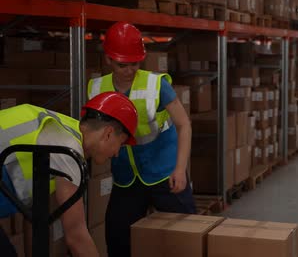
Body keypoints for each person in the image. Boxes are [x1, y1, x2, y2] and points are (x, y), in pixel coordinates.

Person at [88, 22, 195, 257]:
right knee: (118, 240)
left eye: (135, 64)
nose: (129, 70)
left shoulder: (157, 85)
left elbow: (184, 125)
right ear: (108, 59)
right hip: (126, 177)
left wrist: (180, 169)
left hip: (164, 172)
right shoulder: (96, 89)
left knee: (188, 237)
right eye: (122, 65)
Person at [0, 92, 138, 257]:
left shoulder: (67, 133)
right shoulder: (67, 148)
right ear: (108, 134)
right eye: (120, 145)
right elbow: (76, 236)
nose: (116, 153)